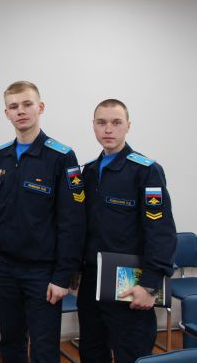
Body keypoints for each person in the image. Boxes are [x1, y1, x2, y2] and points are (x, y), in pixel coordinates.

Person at [0, 80, 85, 363]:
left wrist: (63, 276)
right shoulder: (3, 155)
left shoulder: (61, 157)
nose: (21, 111)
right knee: (10, 342)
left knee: (43, 347)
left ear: (40, 107)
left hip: (42, 271)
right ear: (7, 113)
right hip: (3, 268)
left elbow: (72, 222)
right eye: (14, 106)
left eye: (27, 104)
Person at [77, 99, 176, 363]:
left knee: (131, 354)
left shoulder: (146, 171)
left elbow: (161, 232)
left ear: (128, 126)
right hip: (91, 281)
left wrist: (150, 285)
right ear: (93, 126)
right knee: (91, 352)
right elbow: (81, 228)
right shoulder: (88, 172)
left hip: (130, 282)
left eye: (116, 122)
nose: (108, 129)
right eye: (102, 123)